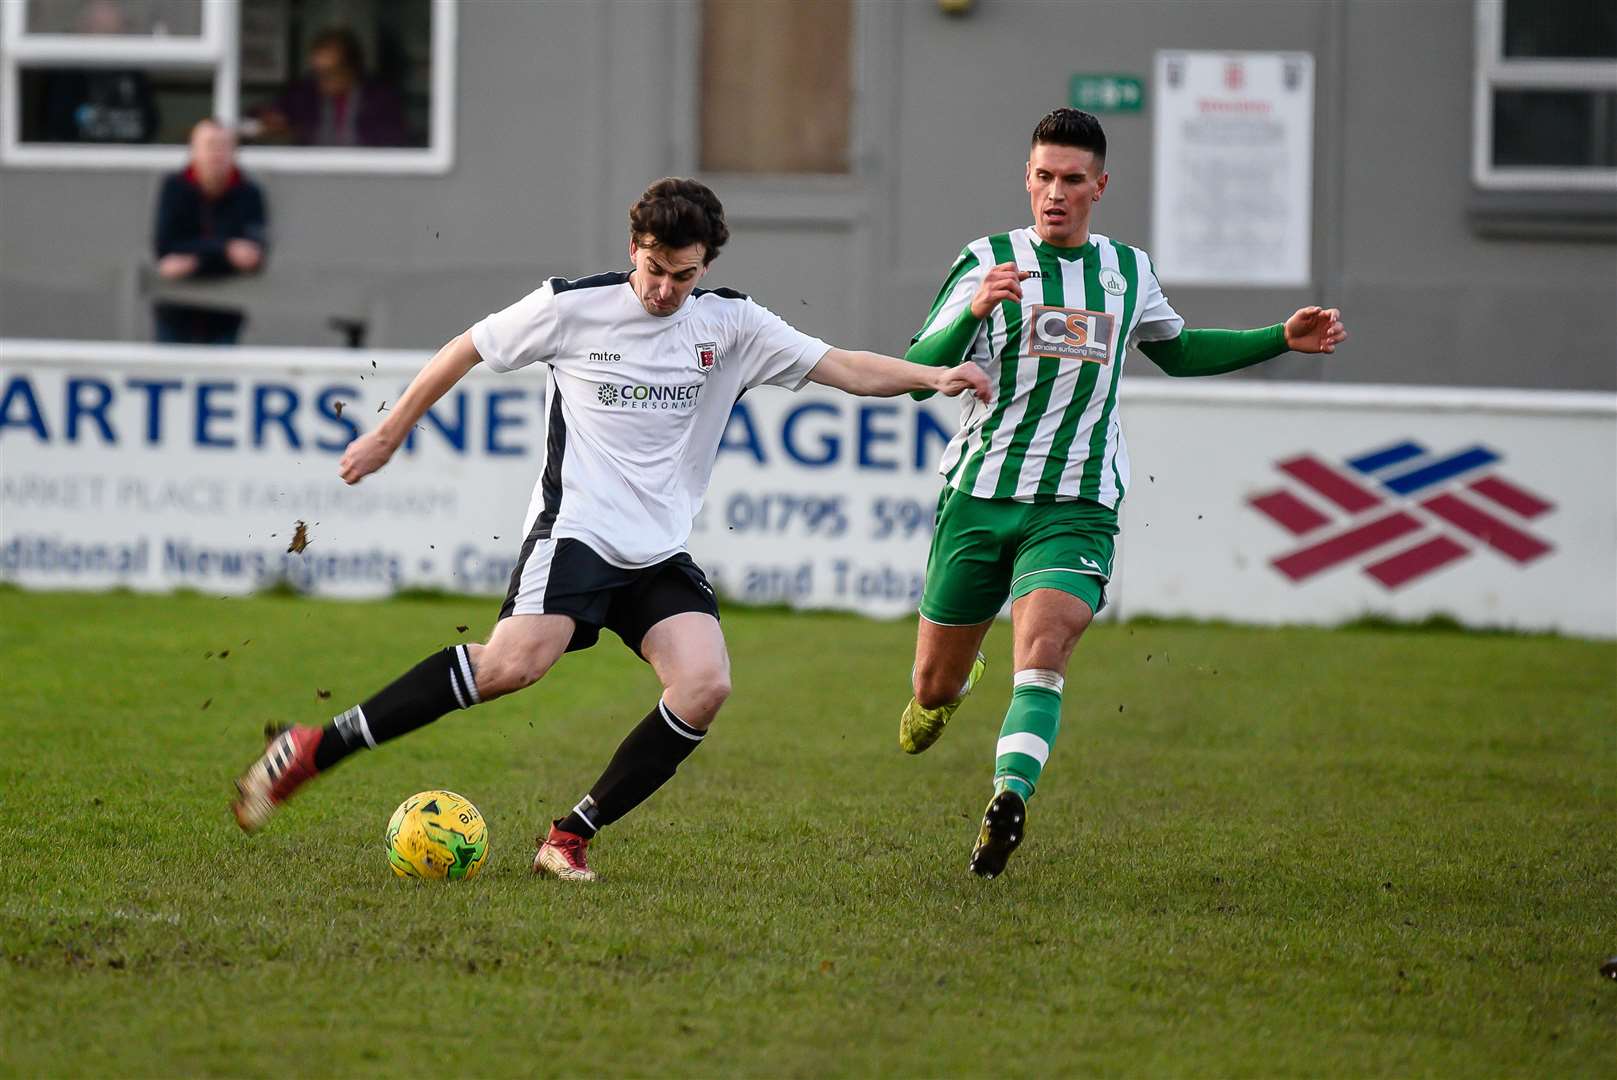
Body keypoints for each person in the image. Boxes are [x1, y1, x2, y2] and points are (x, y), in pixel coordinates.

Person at [230, 177, 991, 882]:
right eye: (654, 269)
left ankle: (569, 836)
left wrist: (932, 376)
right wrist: (391, 431)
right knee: (512, 667)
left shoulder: (732, 325)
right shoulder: (571, 307)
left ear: (705, 265)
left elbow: (845, 366)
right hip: (577, 531)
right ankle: (311, 749)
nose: (664, 290)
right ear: (634, 249)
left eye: (682, 275)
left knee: (704, 685)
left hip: (657, 548)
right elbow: (466, 346)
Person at [897, 108, 1348, 879]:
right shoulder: (987, 259)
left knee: (1044, 651)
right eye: (1043, 177)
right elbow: (919, 368)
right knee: (932, 686)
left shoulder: (1126, 272)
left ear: (1099, 186)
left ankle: (1008, 797)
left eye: (1072, 180)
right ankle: (946, 690)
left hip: (1077, 502)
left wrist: (1279, 337)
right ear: (1027, 179)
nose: (1055, 194)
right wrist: (972, 311)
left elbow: (1176, 352)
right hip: (979, 497)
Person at [151, 119, 268, 344]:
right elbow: (165, 248)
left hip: (225, 313)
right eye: (210, 145)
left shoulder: (248, 193)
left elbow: (254, 255)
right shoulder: (175, 188)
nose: (217, 153)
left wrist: (195, 258)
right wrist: (225, 249)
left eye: (223, 146)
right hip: (176, 313)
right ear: (194, 150)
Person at [255, 27, 409, 147]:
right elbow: (265, 114)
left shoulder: (379, 99)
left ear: (352, 68)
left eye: (330, 72)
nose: (321, 80)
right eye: (317, 72)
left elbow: (394, 142)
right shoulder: (304, 94)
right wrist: (273, 120)